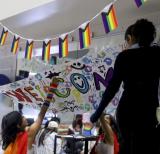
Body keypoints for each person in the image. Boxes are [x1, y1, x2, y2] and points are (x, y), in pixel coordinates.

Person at [90, 19, 160, 154]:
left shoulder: (124, 56)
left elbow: (113, 87)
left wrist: (98, 112)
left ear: (133, 36)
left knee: (127, 146)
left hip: (127, 110)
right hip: (148, 111)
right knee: (146, 147)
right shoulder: (157, 55)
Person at [1, 77, 59, 154]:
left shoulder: (10, 144)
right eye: (22, 117)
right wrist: (52, 89)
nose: (25, 117)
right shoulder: (28, 134)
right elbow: (41, 114)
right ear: (18, 125)